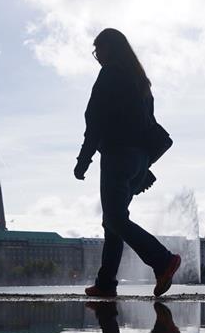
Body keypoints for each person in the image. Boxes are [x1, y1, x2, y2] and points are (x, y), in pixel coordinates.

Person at [75, 28, 181, 298]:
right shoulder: (141, 82)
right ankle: (106, 282)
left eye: (99, 49)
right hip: (139, 160)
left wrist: (83, 160)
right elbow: (148, 126)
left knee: (114, 218)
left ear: (110, 48)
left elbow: (95, 120)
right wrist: (144, 166)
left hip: (117, 156)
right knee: (113, 221)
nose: (97, 55)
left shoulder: (110, 74)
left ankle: (162, 260)